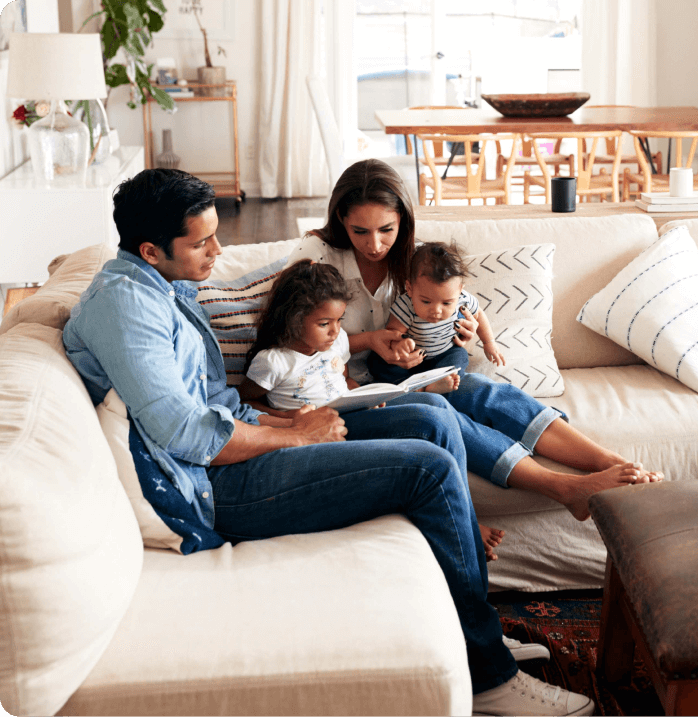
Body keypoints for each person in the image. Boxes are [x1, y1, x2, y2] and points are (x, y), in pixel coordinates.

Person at [62, 168, 593, 716]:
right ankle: (488, 678)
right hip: (217, 484)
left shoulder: (163, 285)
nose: (220, 250)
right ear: (150, 249)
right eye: (202, 242)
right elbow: (187, 435)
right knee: (428, 468)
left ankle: (470, 626)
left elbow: (212, 405)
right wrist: (292, 436)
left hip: (243, 438)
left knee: (432, 413)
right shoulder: (126, 307)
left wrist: (290, 423)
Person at [282, 158, 663, 521]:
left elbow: (451, 310)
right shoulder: (317, 254)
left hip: (410, 376)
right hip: (348, 391)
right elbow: (290, 333)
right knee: (442, 413)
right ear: (340, 221)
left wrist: (459, 334)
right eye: (359, 231)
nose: (376, 245)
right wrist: (370, 340)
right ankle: (565, 489)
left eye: (387, 229)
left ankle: (608, 462)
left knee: (483, 391)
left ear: (403, 221)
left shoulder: (415, 262)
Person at [237, 257, 504, 561]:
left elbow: (343, 378)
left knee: (437, 408)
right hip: (317, 433)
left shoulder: (336, 343)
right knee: (427, 430)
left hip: (352, 414)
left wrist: (360, 393)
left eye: (340, 321)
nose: (335, 331)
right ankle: (464, 526)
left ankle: (463, 519)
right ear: (293, 318)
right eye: (325, 324)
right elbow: (246, 402)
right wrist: (289, 420)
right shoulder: (274, 361)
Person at [367, 241, 504, 394]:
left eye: (446, 303)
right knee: (377, 362)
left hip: (443, 356)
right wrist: (399, 346)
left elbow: (479, 315)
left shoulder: (463, 299)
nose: (436, 310)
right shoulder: (406, 305)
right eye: (426, 301)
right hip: (410, 361)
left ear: (460, 291)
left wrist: (489, 342)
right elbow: (392, 333)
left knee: (459, 355)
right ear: (410, 289)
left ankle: (438, 383)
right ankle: (411, 388)